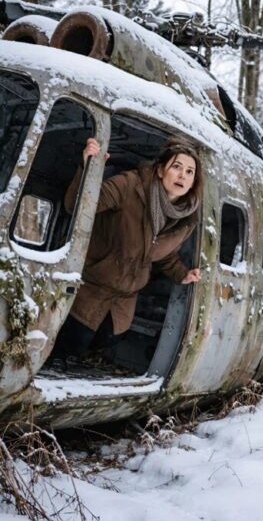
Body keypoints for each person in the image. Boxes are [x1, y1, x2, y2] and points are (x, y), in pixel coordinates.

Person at [49, 136, 204, 366]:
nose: (183, 175)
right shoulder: (130, 185)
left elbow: (164, 252)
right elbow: (77, 206)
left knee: (110, 339)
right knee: (75, 340)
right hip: (92, 283)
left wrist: (182, 274)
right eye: (177, 167)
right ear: (160, 171)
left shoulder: (186, 219)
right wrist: (87, 166)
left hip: (125, 295)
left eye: (190, 172)